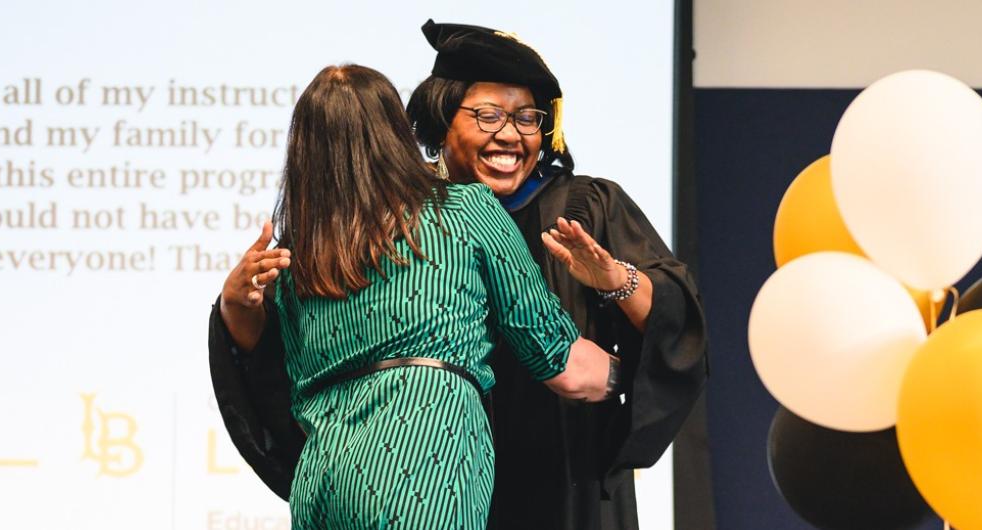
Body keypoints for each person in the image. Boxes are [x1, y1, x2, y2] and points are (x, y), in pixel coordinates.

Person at [211, 21, 708, 530]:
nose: (510, 134)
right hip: (443, 468)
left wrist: (615, 279)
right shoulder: (413, 218)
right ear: (440, 124)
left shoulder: (583, 208)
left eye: (528, 118)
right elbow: (271, 362)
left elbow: (674, 314)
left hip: (554, 480)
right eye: (488, 116)